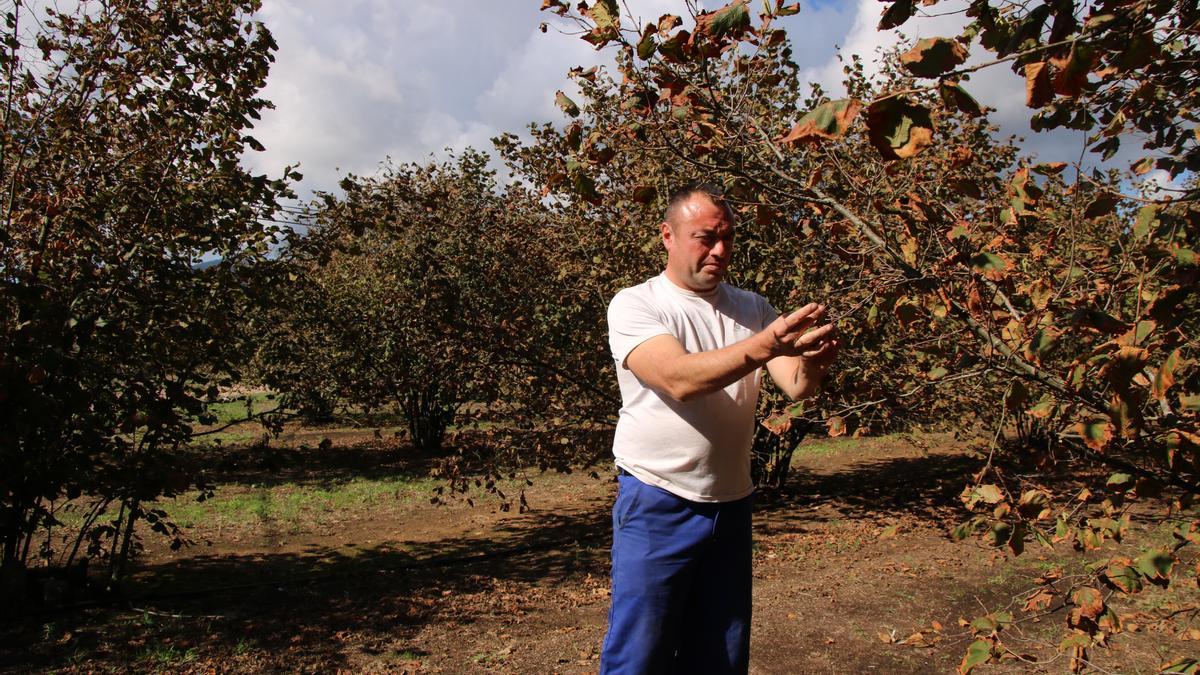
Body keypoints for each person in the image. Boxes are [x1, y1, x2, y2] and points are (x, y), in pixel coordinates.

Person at [600, 183, 839, 674]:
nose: (720, 250)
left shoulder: (751, 307)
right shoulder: (636, 304)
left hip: (731, 502)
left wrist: (813, 362)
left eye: (727, 238)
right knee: (639, 654)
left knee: (722, 654)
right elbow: (678, 378)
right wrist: (765, 346)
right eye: (704, 237)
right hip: (657, 499)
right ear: (668, 235)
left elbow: (796, 388)